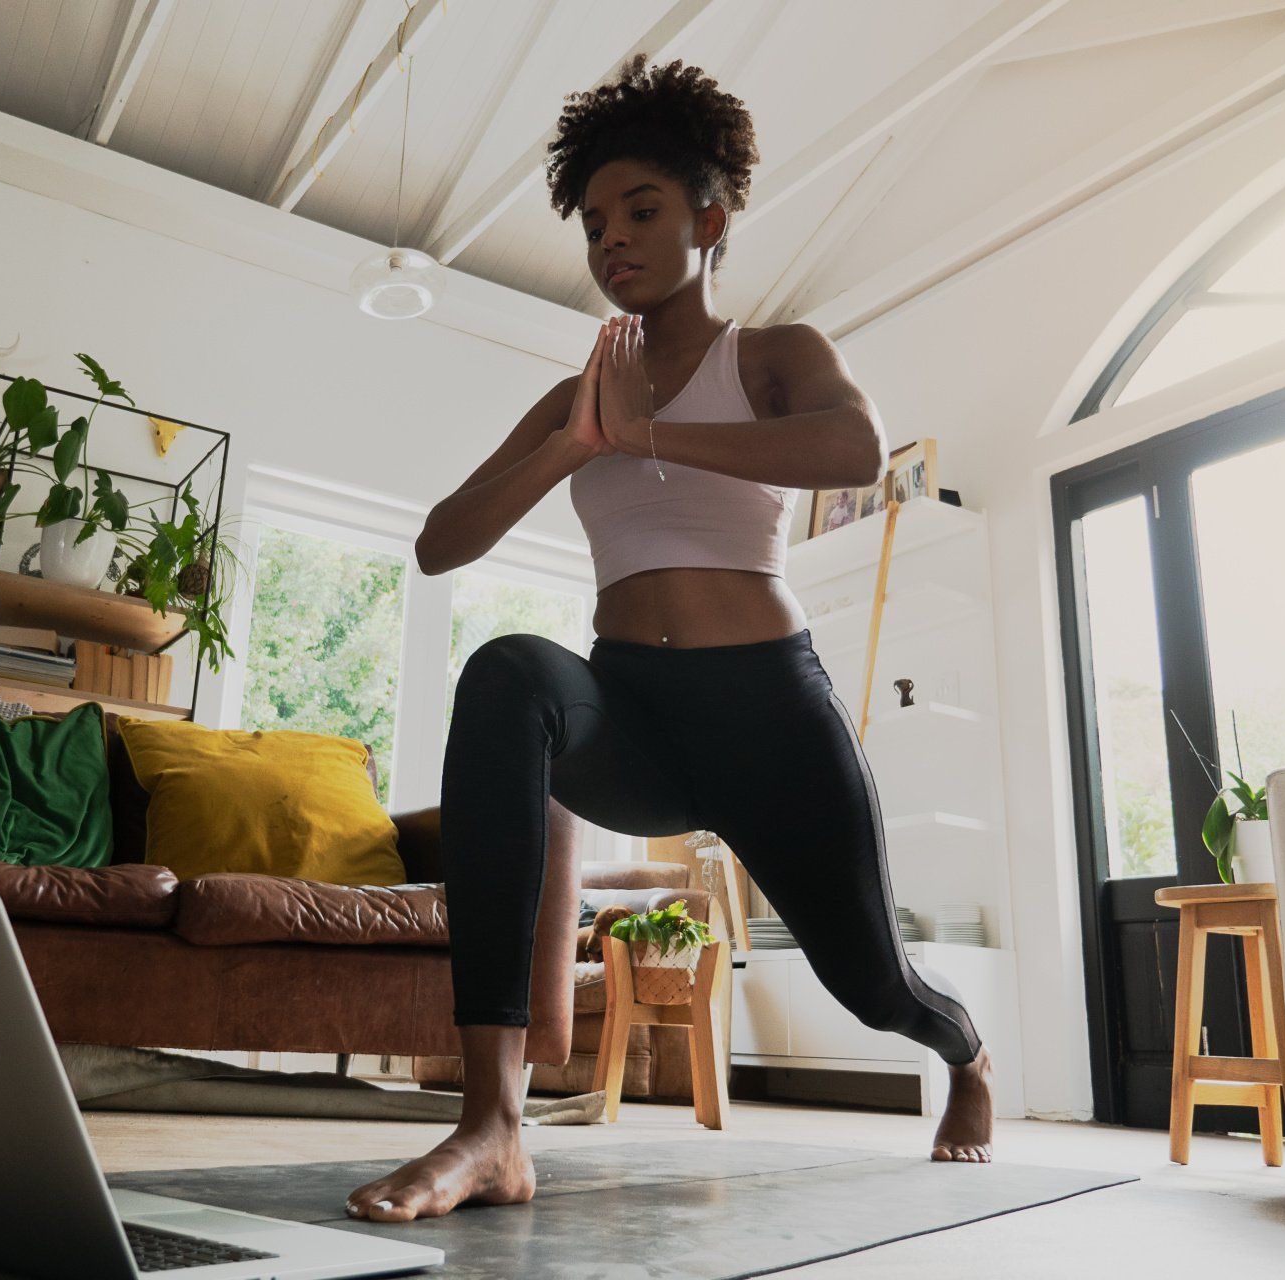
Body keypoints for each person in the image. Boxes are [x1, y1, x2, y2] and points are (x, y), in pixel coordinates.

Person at [345, 54, 993, 1226]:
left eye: (640, 211)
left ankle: (968, 1052)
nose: (613, 241)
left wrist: (650, 430)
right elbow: (443, 544)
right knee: (507, 674)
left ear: (711, 216)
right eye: (594, 223)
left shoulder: (776, 353)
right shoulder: (576, 394)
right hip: (629, 707)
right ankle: (492, 1124)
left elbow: (853, 453)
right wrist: (575, 441)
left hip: (769, 714)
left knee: (873, 981)